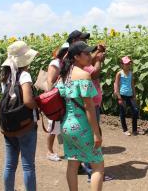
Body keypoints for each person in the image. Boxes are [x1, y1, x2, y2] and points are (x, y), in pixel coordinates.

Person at [56, 41, 104, 191]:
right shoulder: (83, 75)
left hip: (67, 126)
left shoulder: (64, 76)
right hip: (82, 126)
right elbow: (89, 107)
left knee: (72, 163)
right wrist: (96, 133)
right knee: (98, 166)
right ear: (76, 56)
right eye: (87, 53)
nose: (90, 56)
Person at [0, 41, 39, 191]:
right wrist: (38, 105)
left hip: (8, 124)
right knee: (28, 165)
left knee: (10, 164)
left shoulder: (5, 75)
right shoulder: (24, 75)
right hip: (25, 125)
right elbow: (28, 101)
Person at [46, 43, 69, 162]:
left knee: (61, 127)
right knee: (53, 127)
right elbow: (50, 82)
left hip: (62, 98)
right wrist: (52, 99)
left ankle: (66, 151)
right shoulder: (55, 63)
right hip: (55, 99)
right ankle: (49, 151)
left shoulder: (64, 63)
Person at [114, 56, 139, 136]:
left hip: (130, 95)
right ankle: (125, 130)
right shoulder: (119, 73)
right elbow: (116, 85)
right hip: (122, 95)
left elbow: (132, 85)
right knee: (123, 113)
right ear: (122, 65)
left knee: (135, 111)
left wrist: (134, 96)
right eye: (126, 64)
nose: (128, 65)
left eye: (129, 64)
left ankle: (134, 130)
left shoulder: (131, 73)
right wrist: (119, 97)